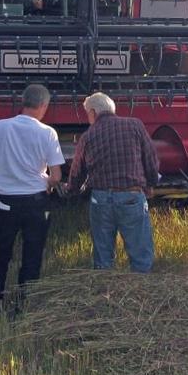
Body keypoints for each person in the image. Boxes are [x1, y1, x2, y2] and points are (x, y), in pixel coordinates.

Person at [0, 84, 66, 312]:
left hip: (5, 200)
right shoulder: (47, 132)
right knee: (32, 255)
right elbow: (56, 176)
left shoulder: (0, 127)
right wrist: (46, 182)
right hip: (35, 203)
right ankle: (22, 306)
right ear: (43, 106)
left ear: (23, 101)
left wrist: (5, 179)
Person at [68, 93, 158, 272]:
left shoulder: (88, 136)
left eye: (87, 113)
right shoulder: (135, 125)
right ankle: (140, 290)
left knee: (103, 256)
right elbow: (151, 158)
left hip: (100, 199)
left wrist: (71, 190)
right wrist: (151, 183)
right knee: (140, 253)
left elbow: (77, 171)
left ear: (93, 112)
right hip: (131, 195)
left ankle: (105, 292)